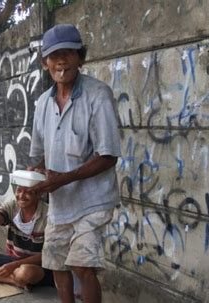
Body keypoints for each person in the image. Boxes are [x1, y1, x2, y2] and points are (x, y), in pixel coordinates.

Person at [29, 24, 121, 303]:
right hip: (61, 204)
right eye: (54, 55)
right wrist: (34, 175)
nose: (61, 61)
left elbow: (108, 155)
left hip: (92, 202)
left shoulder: (98, 95)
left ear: (80, 58)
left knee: (82, 265)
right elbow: (40, 155)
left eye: (69, 53)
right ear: (45, 63)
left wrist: (62, 179)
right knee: (57, 265)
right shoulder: (42, 104)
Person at [0, 184, 54, 291]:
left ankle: (20, 278)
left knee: (25, 273)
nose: (21, 196)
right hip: (13, 260)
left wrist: (13, 266)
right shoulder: (12, 206)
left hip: (37, 266)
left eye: (28, 192)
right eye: (19, 190)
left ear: (39, 194)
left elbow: (47, 255)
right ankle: (14, 280)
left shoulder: (49, 215)